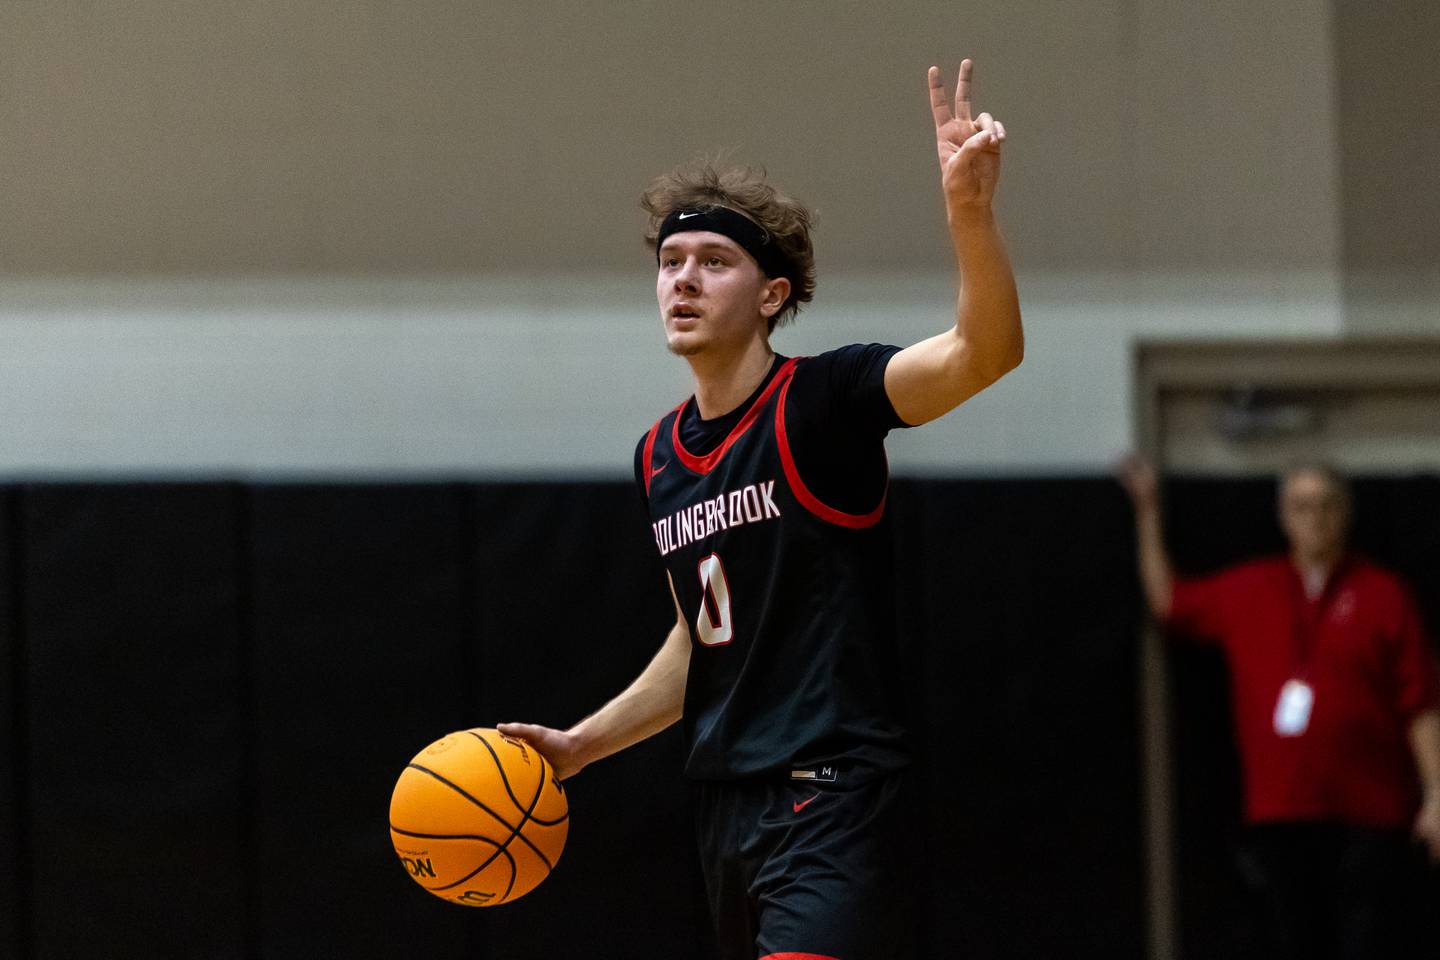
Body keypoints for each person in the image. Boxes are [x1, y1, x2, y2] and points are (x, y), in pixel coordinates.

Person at [498, 59, 1021, 960]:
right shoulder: (659, 455)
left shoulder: (824, 401)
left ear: (773, 294)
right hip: (726, 806)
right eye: (670, 263)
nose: (684, 281)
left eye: (713, 262)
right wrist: (584, 745)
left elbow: (985, 352)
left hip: (832, 790)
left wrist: (968, 213)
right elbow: (701, 639)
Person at [1117, 456, 1440, 959]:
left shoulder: (1384, 595)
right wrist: (1147, 510)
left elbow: (1420, 701)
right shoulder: (1251, 588)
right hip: (1280, 815)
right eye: (1302, 506)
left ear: (1346, 514)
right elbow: (1171, 603)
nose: (1315, 518)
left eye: (1327, 505)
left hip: (1371, 817)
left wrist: (1436, 791)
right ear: (1284, 517)